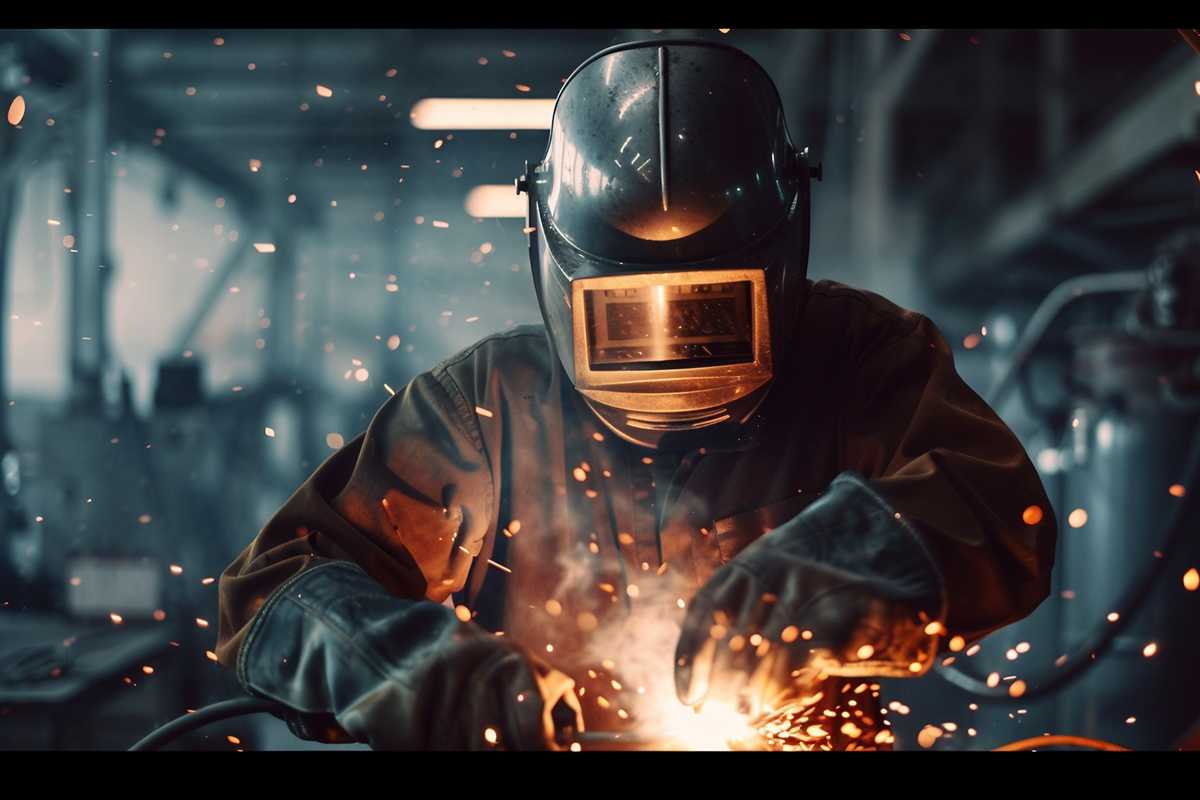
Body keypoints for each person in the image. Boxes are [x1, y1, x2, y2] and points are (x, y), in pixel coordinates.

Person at [215, 39, 1056, 751]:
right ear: (559, 265)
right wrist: (418, 670)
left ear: (779, 255)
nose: (669, 353)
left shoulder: (864, 359)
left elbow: (996, 514)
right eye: (627, 319)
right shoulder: (486, 407)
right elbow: (277, 591)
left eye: (708, 313)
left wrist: (821, 580)